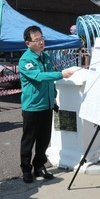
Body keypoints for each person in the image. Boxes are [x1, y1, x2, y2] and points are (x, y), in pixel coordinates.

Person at [19, 25, 73, 183]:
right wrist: (61, 74)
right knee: (29, 140)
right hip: (32, 106)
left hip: (47, 105)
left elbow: (50, 83)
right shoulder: (25, 60)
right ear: (28, 43)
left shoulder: (46, 57)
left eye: (42, 38)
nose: (42, 42)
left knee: (44, 139)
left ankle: (39, 166)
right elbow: (39, 76)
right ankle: (26, 169)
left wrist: (54, 99)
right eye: (37, 40)